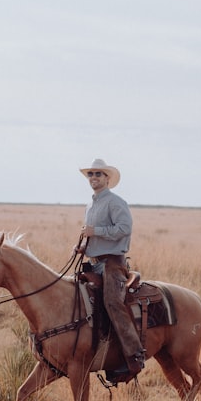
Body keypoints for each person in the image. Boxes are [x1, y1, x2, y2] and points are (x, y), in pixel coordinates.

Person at [78, 158, 146, 380]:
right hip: (95, 263)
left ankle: (134, 356)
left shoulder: (115, 202)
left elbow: (124, 228)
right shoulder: (91, 204)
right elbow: (93, 234)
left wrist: (95, 231)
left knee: (112, 302)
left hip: (112, 264)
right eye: (91, 174)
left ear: (107, 178)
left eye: (98, 174)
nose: (94, 178)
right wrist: (83, 246)